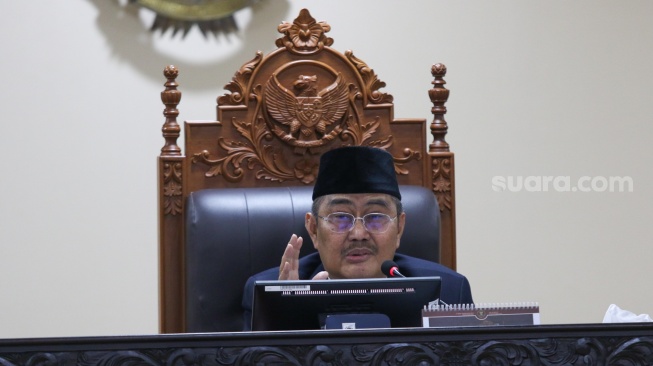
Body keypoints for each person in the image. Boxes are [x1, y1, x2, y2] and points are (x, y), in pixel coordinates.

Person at [241, 146, 473, 330]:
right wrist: (284, 322)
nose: (359, 234)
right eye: (340, 217)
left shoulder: (447, 294)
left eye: (376, 217)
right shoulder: (268, 295)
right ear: (313, 229)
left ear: (400, 227)